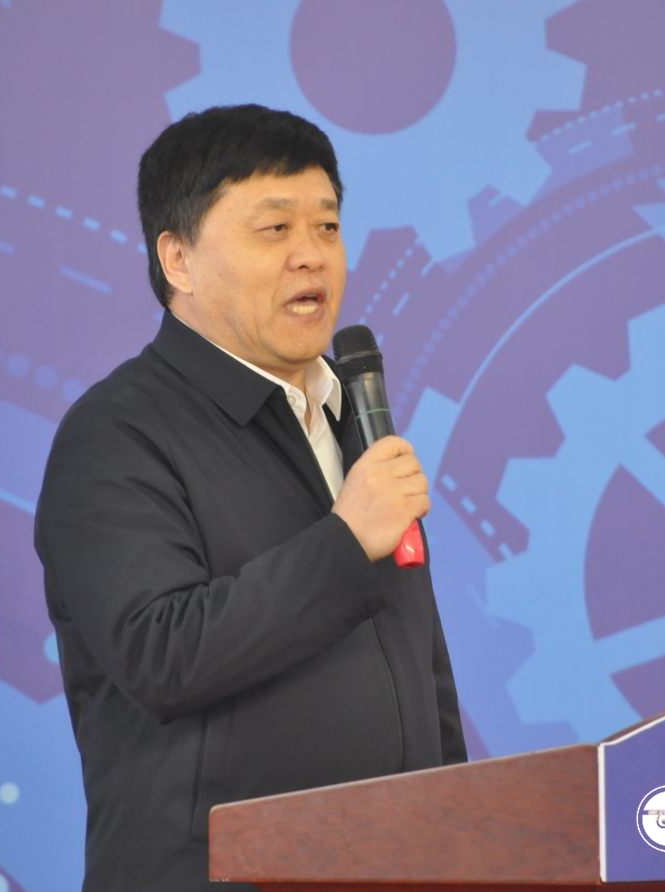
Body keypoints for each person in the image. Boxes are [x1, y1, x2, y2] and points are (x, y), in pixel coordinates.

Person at [34, 104, 467, 892]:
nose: (312, 256)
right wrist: (345, 543)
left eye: (327, 227)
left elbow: (423, 673)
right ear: (179, 259)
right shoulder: (116, 434)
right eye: (275, 230)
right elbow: (161, 655)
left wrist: (464, 846)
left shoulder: (351, 421)